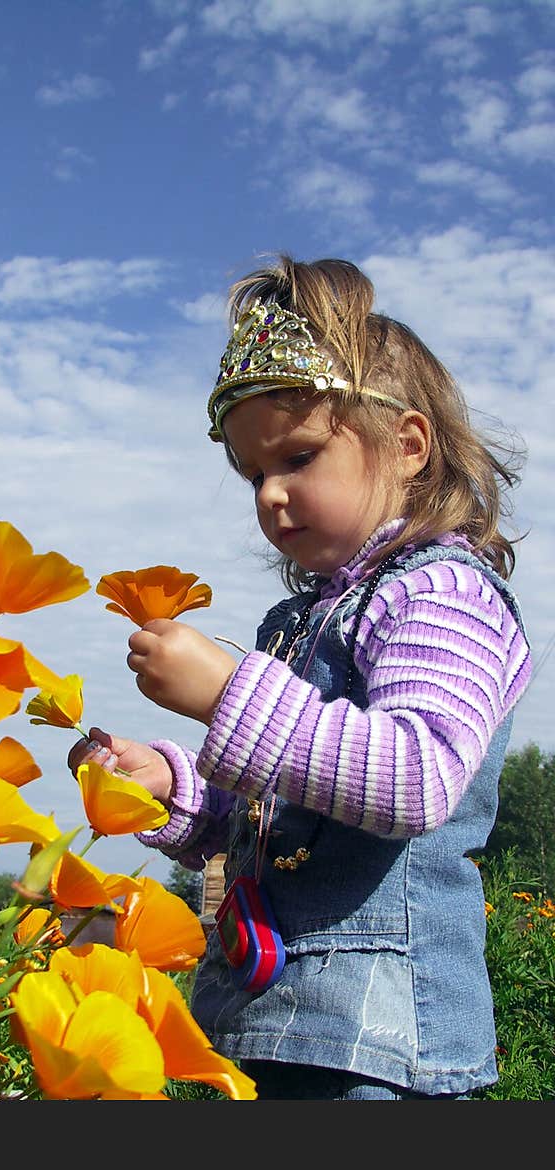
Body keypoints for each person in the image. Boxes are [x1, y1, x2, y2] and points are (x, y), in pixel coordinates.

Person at [68, 254, 533, 1101]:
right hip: (274, 1019)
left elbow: (414, 778)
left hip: (380, 1043)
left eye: (300, 457)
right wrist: (170, 784)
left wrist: (225, 693)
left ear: (408, 444)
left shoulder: (442, 593)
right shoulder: (296, 624)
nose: (271, 496)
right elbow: (278, 821)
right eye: (253, 475)